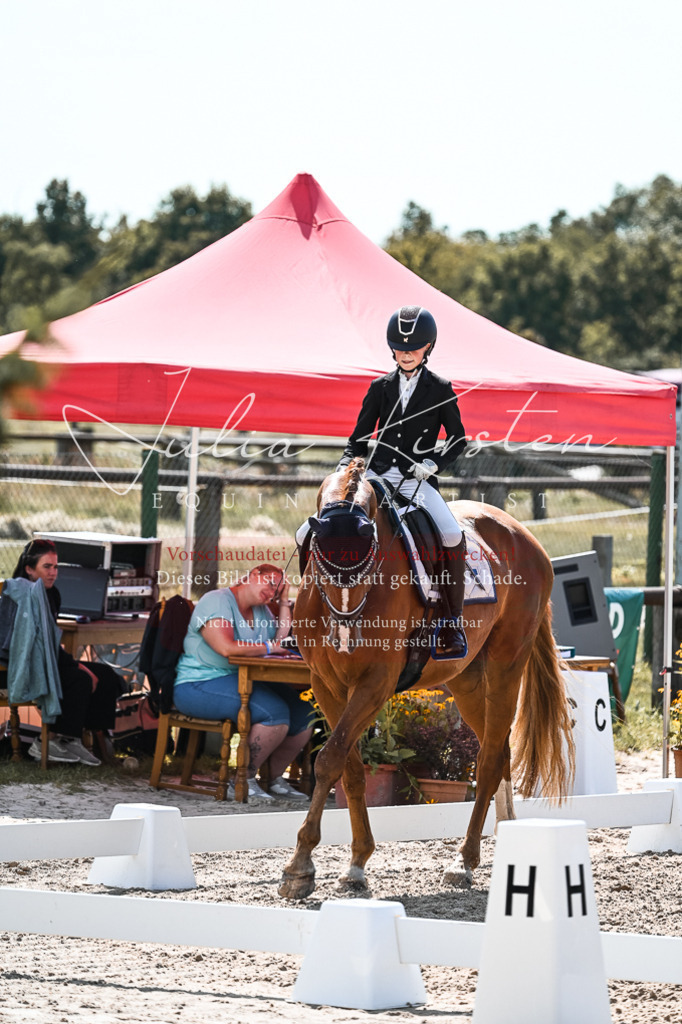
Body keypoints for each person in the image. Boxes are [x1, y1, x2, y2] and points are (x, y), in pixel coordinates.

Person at [338, 304, 468, 656]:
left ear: (428, 348)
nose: (406, 353)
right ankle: (313, 612)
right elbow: (358, 439)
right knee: (315, 529)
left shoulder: (440, 388)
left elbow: (458, 438)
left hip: (416, 479)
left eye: (413, 348)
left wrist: (434, 463)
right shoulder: (379, 387)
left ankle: (452, 622)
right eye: (399, 347)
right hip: (377, 476)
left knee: (452, 534)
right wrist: (345, 471)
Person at [173, 564, 312, 802]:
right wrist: (270, 648)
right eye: (270, 585)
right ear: (253, 575)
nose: (271, 593)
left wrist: (284, 602)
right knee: (274, 713)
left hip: (239, 680)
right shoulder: (216, 601)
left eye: (276, 591)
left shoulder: (260, 610)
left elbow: (282, 641)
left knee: (304, 713)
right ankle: (240, 780)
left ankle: (273, 779)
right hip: (198, 684)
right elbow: (226, 648)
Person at [12, 539, 123, 765]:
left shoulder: (52, 594)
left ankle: (76, 739)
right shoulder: (20, 597)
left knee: (106, 676)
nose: (53, 573)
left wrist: (75, 664)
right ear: (29, 569)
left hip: (48, 658)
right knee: (79, 678)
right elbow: (37, 647)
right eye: (47, 567)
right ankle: (49, 740)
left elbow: (51, 644)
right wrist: (77, 666)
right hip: (26, 663)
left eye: (56, 566)